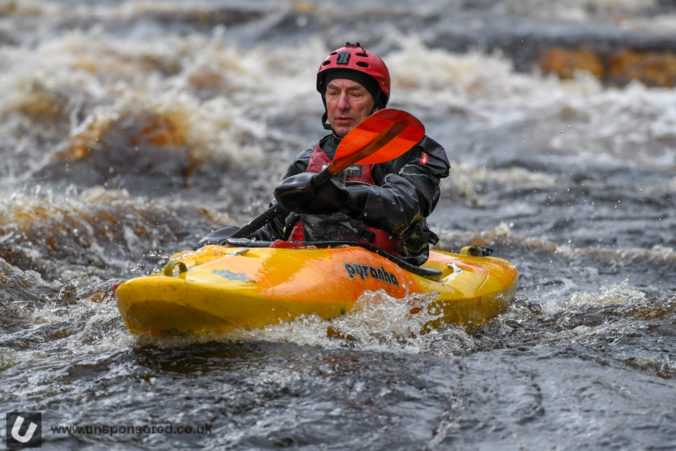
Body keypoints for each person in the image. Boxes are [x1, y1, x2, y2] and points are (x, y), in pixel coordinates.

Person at [207, 43, 450, 266]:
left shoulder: (408, 151)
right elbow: (278, 228)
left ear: (377, 102)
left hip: (388, 269)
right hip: (314, 267)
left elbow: (406, 206)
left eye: (355, 94)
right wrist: (233, 244)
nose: (341, 105)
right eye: (333, 93)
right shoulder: (308, 161)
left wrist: (343, 197)